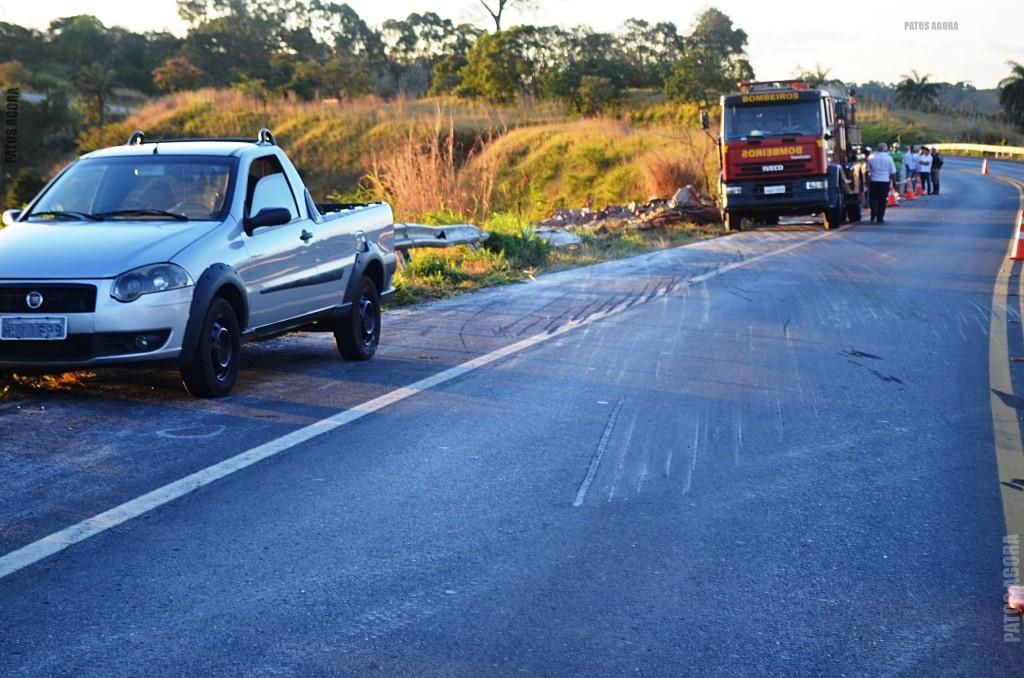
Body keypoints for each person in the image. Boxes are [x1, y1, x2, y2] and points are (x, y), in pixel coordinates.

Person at [867, 142, 897, 223]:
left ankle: (874, 212)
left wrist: (868, 181)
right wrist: (894, 183)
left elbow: (868, 171)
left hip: (874, 180)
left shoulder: (871, 158)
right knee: (882, 200)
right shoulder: (889, 158)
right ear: (886, 149)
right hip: (884, 181)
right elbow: (893, 172)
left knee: (873, 198)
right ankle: (880, 217)